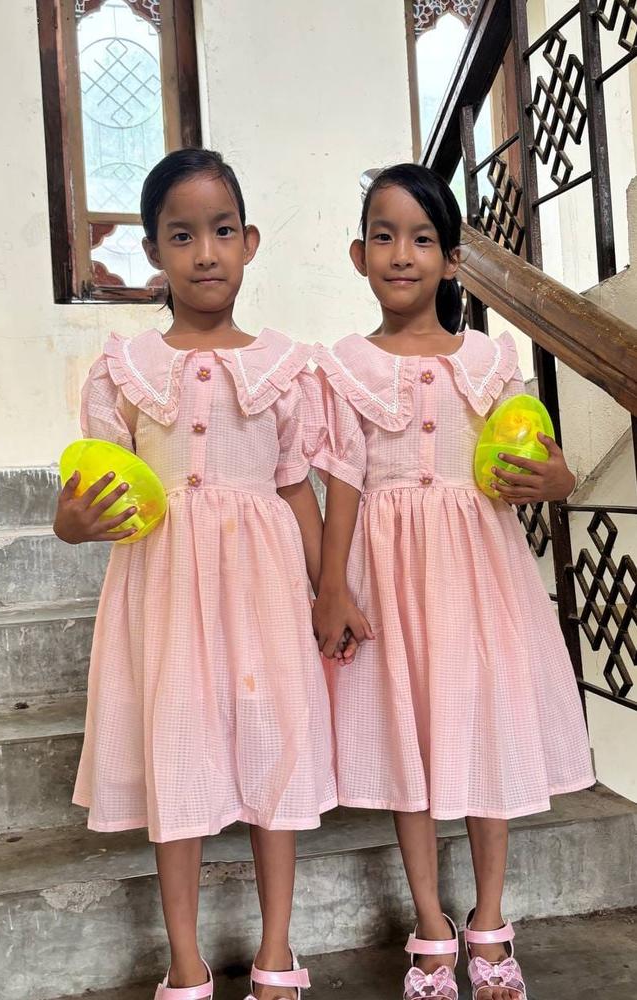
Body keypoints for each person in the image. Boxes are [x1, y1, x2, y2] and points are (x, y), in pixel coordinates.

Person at [54, 148, 336, 1000]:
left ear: (249, 242)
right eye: (182, 236)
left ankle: (278, 951)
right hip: (168, 595)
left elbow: (297, 488)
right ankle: (185, 961)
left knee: (274, 752)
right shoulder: (124, 370)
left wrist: (330, 592)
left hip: (267, 594)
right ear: (153, 253)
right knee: (178, 753)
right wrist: (71, 523)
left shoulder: (288, 368)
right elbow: (89, 492)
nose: (204, 253)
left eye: (220, 232)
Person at [311, 163, 595, 1000]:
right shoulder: (345, 368)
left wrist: (560, 479)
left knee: (482, 729)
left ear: (451, 260)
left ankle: (491, 921)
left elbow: (538, 455)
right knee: (410, 733)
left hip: (478, 572)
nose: (404, 254)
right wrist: (331, 587)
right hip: (388, 571)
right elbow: (343, 487)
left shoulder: (488, 358)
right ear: (359, 254)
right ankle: (429, 923)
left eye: (423, 238)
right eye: (386, 236)